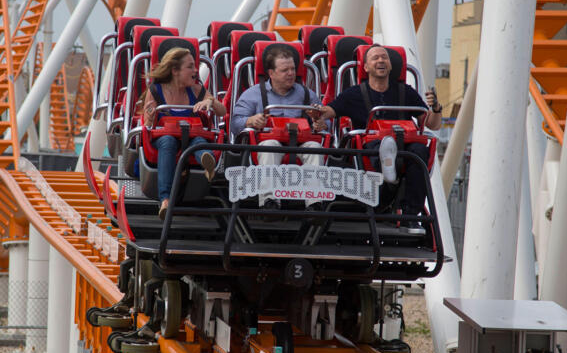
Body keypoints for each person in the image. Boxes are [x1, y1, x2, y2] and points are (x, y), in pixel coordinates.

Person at [316, 44, 442, 232]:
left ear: (391, 66)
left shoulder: (405, 92)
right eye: (375, 58)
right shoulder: (354, 94)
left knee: (419, 151)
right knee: (379, 147)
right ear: (365, 67)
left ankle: (410, 215)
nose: (381, 61)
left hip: (404, 146)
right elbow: (329, 111)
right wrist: (316, 114)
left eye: (384, 58)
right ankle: (388, 171)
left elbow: (432, 124)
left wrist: (436, 108)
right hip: (370, 146)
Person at [230, 45, 328, 212]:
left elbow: (325, 122)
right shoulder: (253, 94)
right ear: (271, 73)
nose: (291, 73)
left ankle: (315, 205)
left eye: (292, 69)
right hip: (270, 143)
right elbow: (234, 123)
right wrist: (251, 120)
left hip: (300, 143)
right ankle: (269, 202)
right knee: (270, 146)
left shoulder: (307, 94)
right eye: (285, 70)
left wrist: (321, 123)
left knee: (315, 148)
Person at [142, 47, 227, 218]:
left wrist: (210, 101)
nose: (195, 71)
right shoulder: (156, 90)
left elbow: (222, 111)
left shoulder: (196, 90)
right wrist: (151, 115)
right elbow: (147, 125)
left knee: (197, 143)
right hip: (164, 136)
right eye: (190, 67)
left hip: (191, 136)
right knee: (168, 142)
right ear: (175, 71)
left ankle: (207, 161)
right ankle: (165, 199)